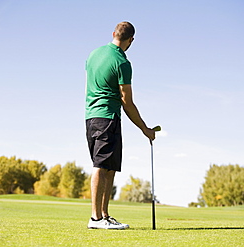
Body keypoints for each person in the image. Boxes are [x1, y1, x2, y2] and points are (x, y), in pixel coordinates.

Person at [85, 21, 156, 229]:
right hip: (107, 117)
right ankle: (95, 218)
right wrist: (145, 128)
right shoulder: (122, 62)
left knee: (109, 167)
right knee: (101, 165)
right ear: (131, 40)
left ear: (114, 33)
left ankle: (104, 215)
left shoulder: (93, 54)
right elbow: (127, 101)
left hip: (91, 117)